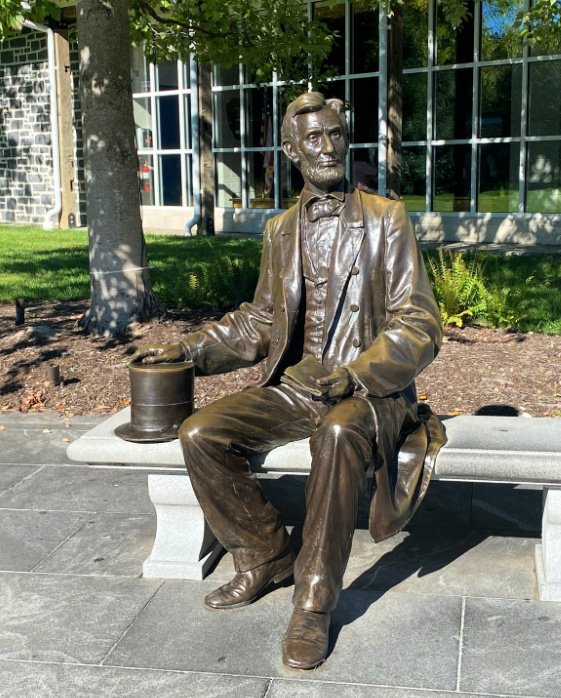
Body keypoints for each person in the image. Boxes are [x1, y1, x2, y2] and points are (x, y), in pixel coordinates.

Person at [135, 91, 444, 670]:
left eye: (335, 135)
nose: (327, 147)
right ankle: (264, 555)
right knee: (201, 433)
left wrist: (355, 373)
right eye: (313, 138)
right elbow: (259, 323)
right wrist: (188, 349)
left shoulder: (387, 219)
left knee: (336, 435)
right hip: (296, 384)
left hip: (367, 389)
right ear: (289, 150)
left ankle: (314, 598)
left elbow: (419, 322)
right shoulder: (280, 229)